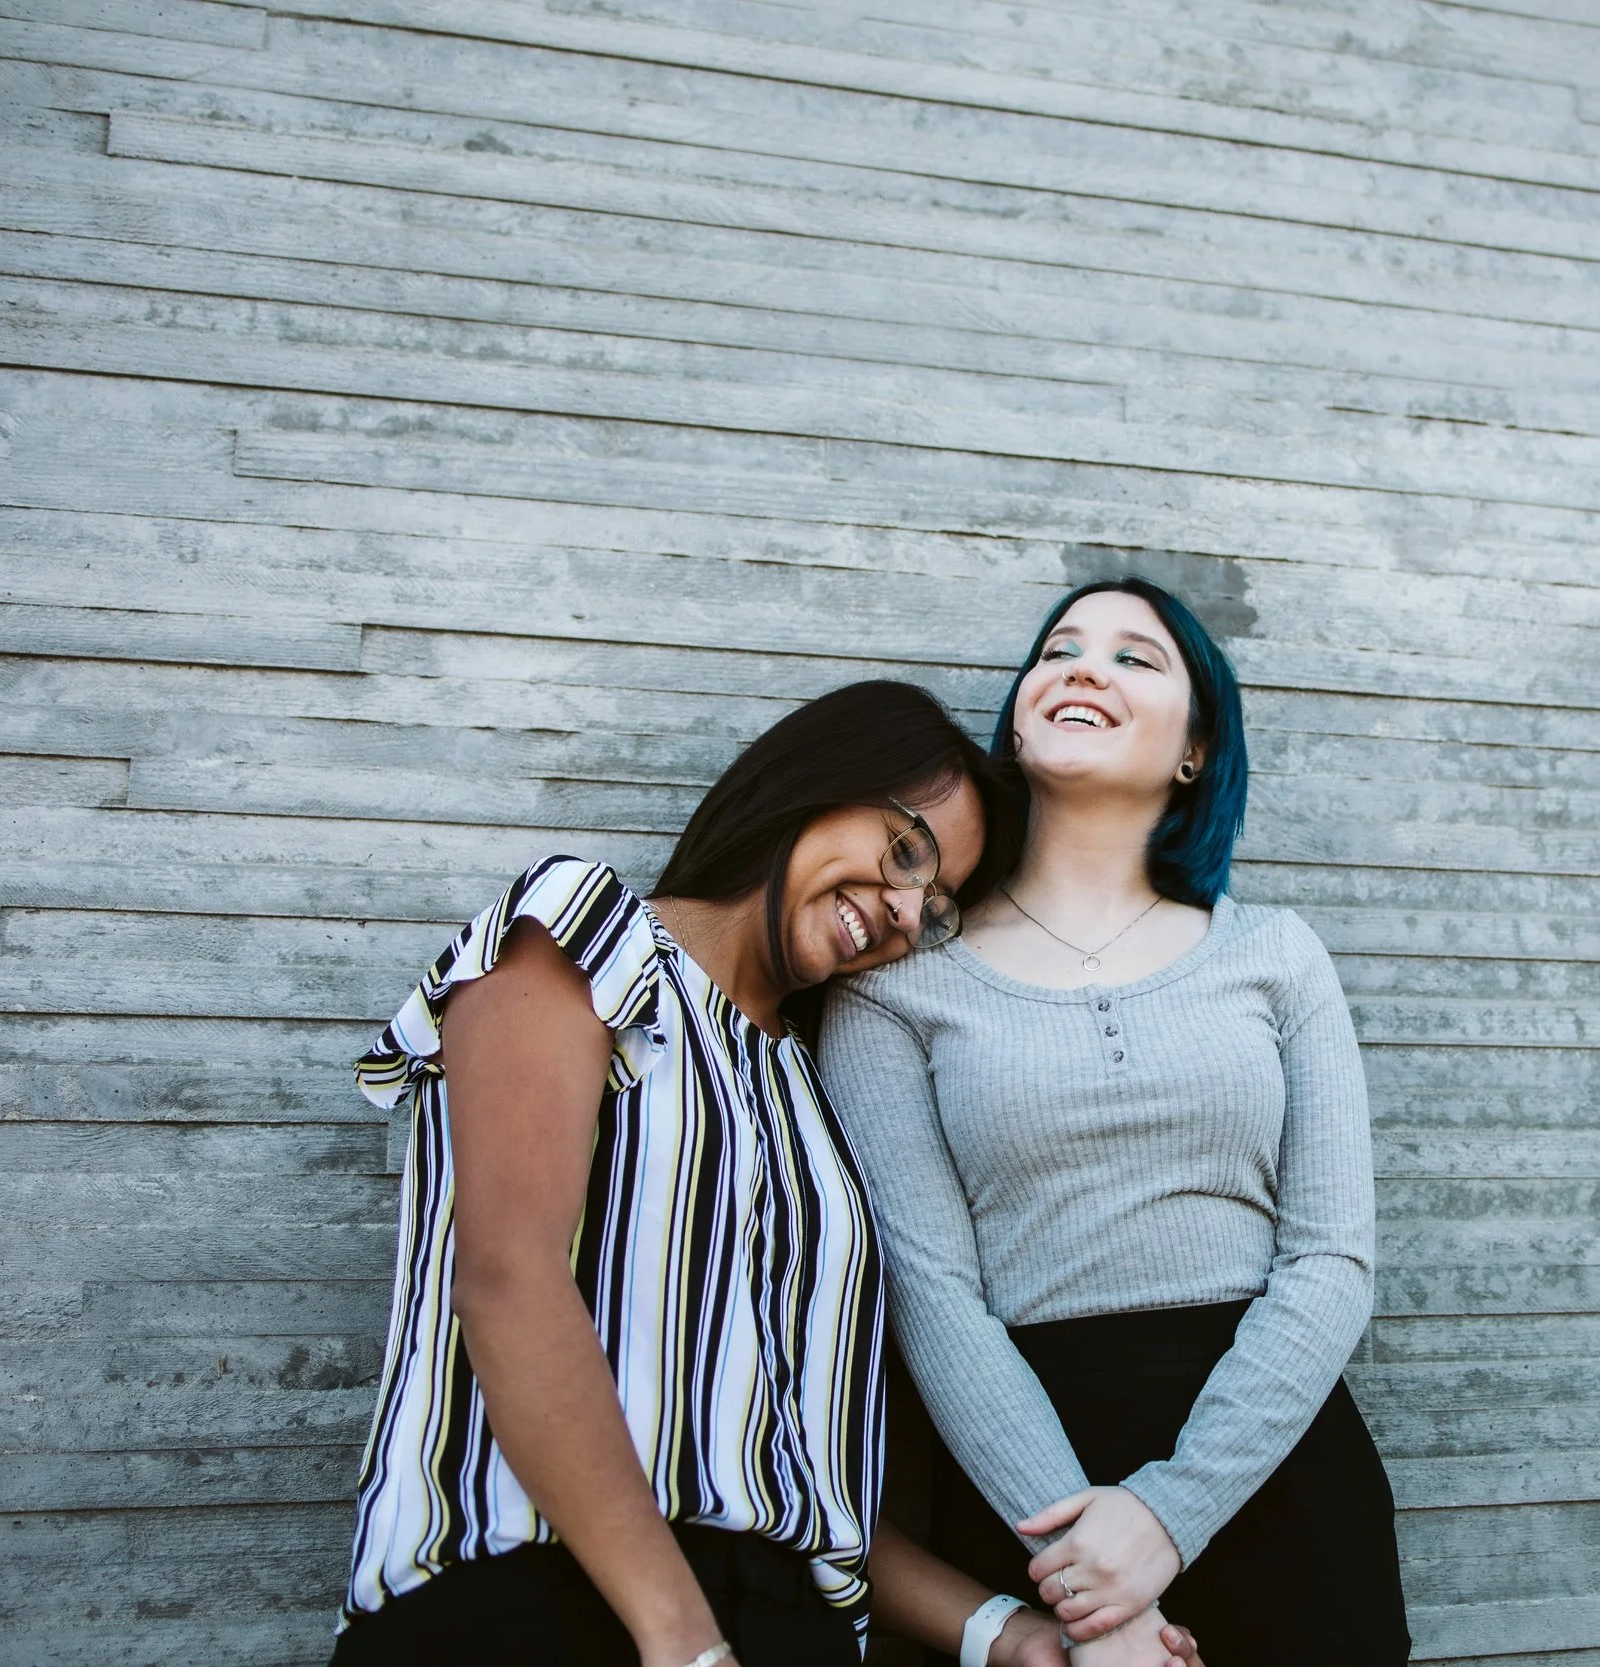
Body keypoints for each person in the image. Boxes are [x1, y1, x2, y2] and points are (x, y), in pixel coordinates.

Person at [329, 679, 1203, 1667]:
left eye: (939, 903)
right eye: (907, 850)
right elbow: (505, 1277)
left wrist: (1008, 1635)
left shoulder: (809, 1093)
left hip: (790, 1630)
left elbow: (784, 1478)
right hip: (536, 1598)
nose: (907, 912)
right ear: (814, 784)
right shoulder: (591, 933)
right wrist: (681, 1636)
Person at [820, 582, 1412, 1666]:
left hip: (1278, 1472)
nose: (1084, 667)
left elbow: (1331, 1256)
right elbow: (928, 1287)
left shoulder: (1275, 954)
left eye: (1136, 658)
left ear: (1195, 748)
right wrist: (1097, 1591)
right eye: (1059, 649)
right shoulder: (896, 982)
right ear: (1018, 710)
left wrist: (1170, 1514)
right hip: (1027, 1493)